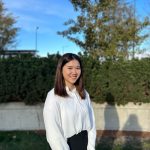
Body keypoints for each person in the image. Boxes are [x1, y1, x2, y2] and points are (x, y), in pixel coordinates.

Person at [43, 53, 96, 150]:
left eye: (77, 68)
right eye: (70, 68)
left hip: (85, 144)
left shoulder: (84, 94)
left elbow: (92, 124)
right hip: (66, 146)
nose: (74, 72)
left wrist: (91, 147)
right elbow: (54, 134)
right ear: (61, 69)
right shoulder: (53, 96)